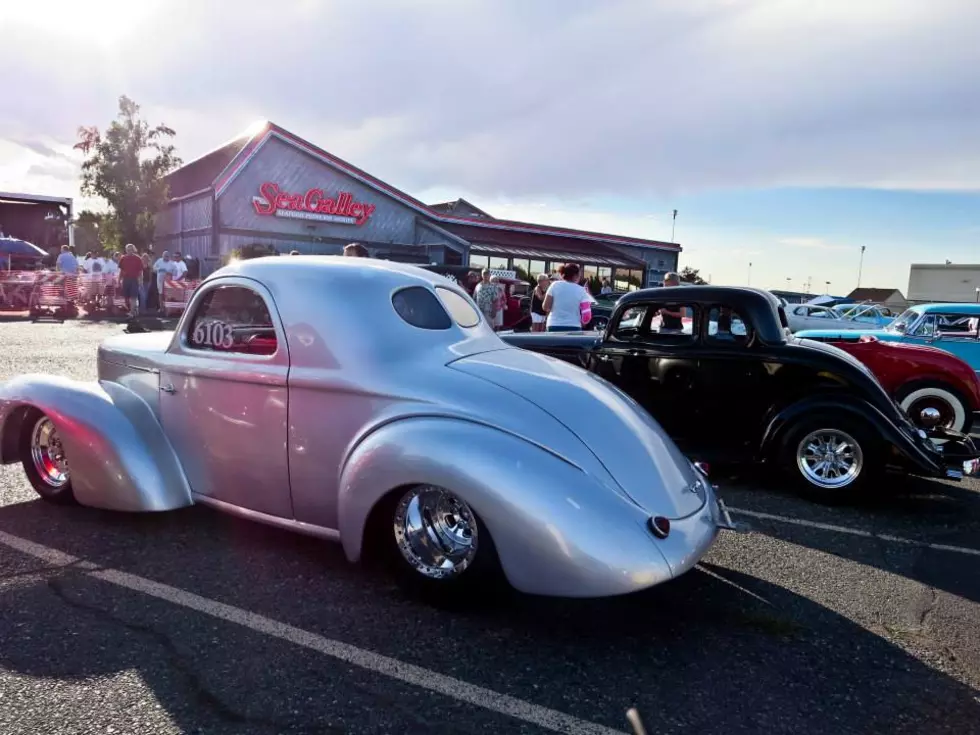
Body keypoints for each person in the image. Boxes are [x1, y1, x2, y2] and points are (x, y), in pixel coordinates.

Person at [543, 263, 592, 332]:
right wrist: (582, 323)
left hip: (553, 325)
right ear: (575, 276)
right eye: (579, 275)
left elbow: (545, 307)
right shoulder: (582, 290)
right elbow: (587, 315)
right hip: (574, 326)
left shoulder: (554, 285)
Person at [118, 244, 143, 317]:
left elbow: (140, 271)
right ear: (126, 250)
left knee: (133, 296)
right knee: (126, 297)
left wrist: (141, 280)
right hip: (126, 279)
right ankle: (134, 309)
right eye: (128, 249)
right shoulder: (123, 258)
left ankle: (132, 312)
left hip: (134, 280)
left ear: (133, 250)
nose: (129, 251)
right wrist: (119, 280)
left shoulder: (138, 259)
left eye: (131, 249)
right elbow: (121, 270)